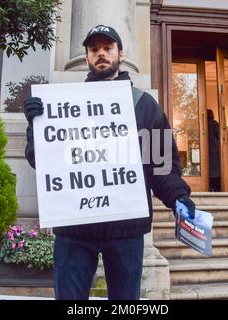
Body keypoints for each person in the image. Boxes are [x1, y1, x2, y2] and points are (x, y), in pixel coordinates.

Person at [24, 25, 195, 300]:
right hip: (74, 227)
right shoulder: (63, 106)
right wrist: (36, 125)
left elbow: (161, 165)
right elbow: (40, 160)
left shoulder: (144, 105)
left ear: (120, 53)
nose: (101, 53)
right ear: (88, 57)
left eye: (107, 48)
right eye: (94, 50)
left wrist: (178, 197)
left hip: (125, 228)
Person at [207, 109, 221, 191]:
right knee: (216, 175)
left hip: (208, 152)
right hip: (215, 151)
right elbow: (220, 135)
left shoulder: (204, 125)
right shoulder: (214, 123)